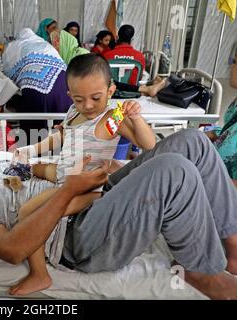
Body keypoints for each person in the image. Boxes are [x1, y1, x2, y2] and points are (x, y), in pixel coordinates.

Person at [0, 129, 237, 300]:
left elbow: (44, 170)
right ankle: (200, 270)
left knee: (191, 141)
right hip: (75, 235)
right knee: (174, 170)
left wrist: (105, 169)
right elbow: (12, 248)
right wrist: (68, 191)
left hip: (89, 197)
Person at [9, 53, 156, 295]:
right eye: (79, 99)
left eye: (95, 98)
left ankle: (40, 274)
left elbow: (148, 144)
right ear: (70, 96)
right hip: (65, 172)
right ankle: (32, 167)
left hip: (88, 187)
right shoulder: (72, 112)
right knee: (29, 167)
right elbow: (64, 136)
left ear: (111, 90)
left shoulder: (112, 117)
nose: (87, 105)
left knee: (28, 212)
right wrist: (31, 149)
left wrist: (137, 118)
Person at [205, 34, 237, 241]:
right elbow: (231, 134)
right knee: (187, 144)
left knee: (182, 197)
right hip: (225, 178)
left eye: (235, 62)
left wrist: (215, 182)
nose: (230, 66)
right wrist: (211, 136)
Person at [3, 28, 72, 130]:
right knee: (62, 128)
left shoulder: (16, 46)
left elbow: (8, 70)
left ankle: (36, 144)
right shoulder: (44, 44)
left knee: (35, 131)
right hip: (64, 84)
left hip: (35, 88)